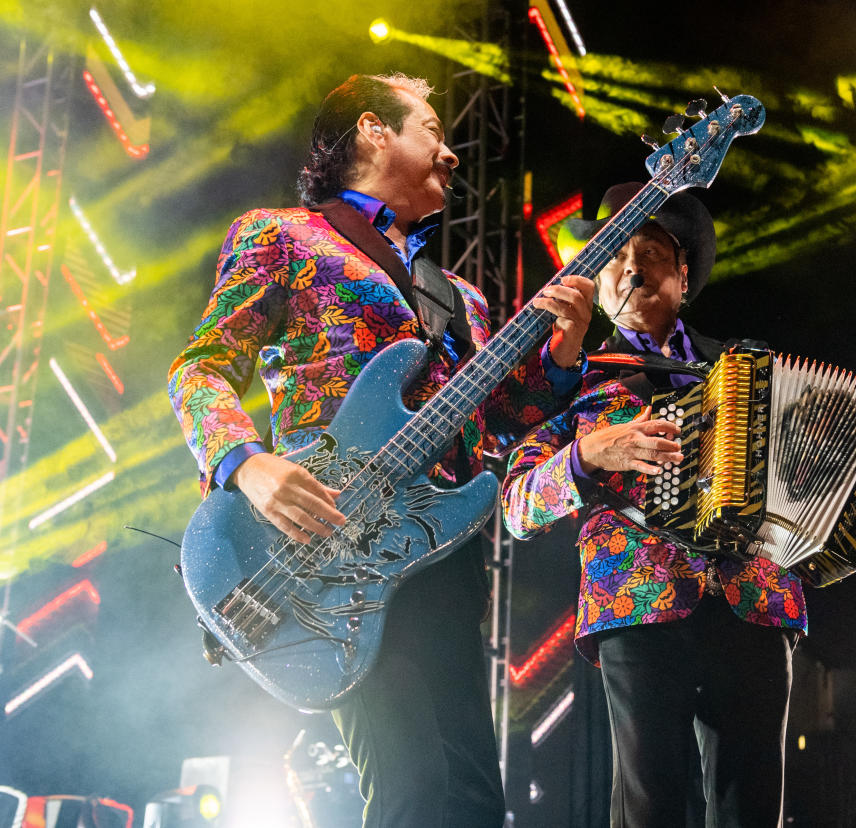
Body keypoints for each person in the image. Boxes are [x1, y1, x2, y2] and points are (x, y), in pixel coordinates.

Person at [168, 72, 595, 827]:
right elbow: (200, 368)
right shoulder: (282, 234)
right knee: (411, 790)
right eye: (433, 129)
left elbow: (496, 418)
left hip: (437, 551)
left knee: (473, 798)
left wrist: (562, 348)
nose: (453, 153)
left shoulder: (458, 296)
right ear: (373, 131)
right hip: (325, 549)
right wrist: (246, 463)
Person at [500, 182, 856, 826]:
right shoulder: (567, 378)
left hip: (755, 602)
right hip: (638, 604)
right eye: (612, 253)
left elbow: (821, 503)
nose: (630, 267)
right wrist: (589, 455)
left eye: (650, 253)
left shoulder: (752, 373)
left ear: (684, 273)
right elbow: (517, 505)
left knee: (753, 808)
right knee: (651, 807)